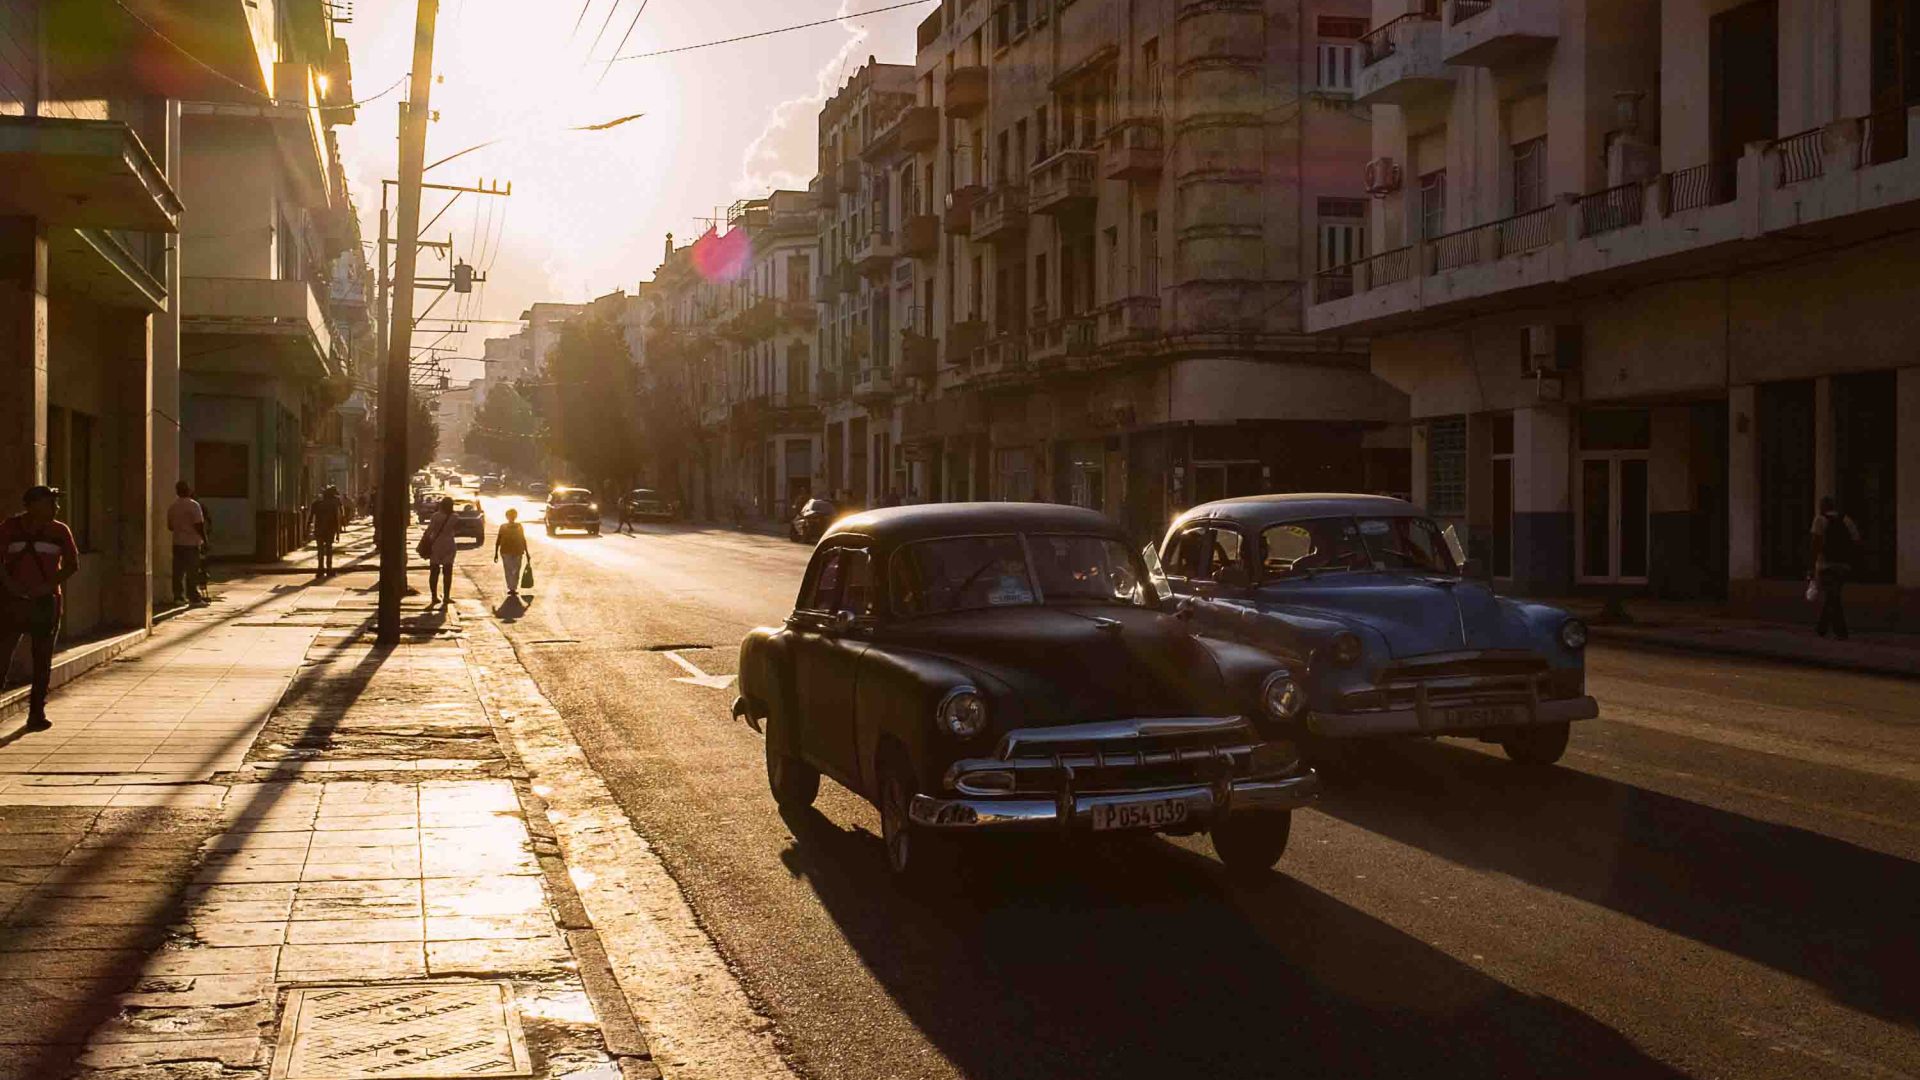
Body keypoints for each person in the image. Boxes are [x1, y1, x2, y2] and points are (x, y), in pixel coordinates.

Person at [0, 486, 81, 732]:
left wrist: (47, 586)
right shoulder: (9, 528)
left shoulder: (60, 531)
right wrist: (11, 585)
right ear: (33, 505)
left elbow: (71, 565)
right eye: (51, 502)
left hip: (46, 602)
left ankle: (37, 713)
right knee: (2, 655)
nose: (56, 507)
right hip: (11, 601)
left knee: (42, 660)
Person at [1810, 495, 1862, 640]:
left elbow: (1815, 543)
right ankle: (1822, 628)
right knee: (1833, 596)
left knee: (1832, 598)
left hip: (1826, 565)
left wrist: (1812, 563)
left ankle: (1840, 631)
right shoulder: (1846, 520)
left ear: (1823, 506)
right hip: (1843, 566)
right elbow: (1857, 541)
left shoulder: (1820, 519)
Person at [165, 481, 208, 605]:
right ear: (189, 491)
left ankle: (178, 596)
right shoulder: (194, 505)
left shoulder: (173, 507)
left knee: (178, 571)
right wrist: (205, 540)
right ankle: (193, 597)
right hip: (192, 543)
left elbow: (170, 526)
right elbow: (199, 525)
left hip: (178, 542)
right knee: (192, 571)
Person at [421, 496, 459, 606]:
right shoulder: (454, 517)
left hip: (436, 545)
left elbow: (429, 530)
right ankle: (446, 596)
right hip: (449, 545)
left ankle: (434, 596)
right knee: (448, 572)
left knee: (434, 572)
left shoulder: (436, 516)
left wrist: (425, 541)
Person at [494, 507, 529, 598]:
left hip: (518, 551)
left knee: (516, 569)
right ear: (507, 517)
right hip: (506, 551)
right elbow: (499, 539)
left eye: (513, 515)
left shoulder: (519, 526)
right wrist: (496, 553)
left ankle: (514, 587)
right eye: (510, 515)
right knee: (508, 570)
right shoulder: (503, 526)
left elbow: (523, 539)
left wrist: (527, 553)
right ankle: (511, 588)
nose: (512, 517)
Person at [309, 486, 343, 576]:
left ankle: (320, 569)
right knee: (329, 550)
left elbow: (310, 517)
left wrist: (307, 529)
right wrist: (338, 533)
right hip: (329, 530)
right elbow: (336, 519)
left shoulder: (316, 504)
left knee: (320, 550)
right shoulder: (332, 505)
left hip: (319, 529)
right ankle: (329, 569)